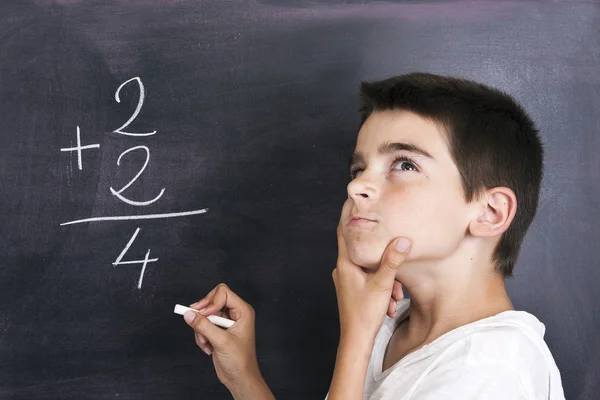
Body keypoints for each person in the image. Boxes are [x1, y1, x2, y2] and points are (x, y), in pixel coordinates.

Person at [180, 72, 565, 399]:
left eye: (404, 163)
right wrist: (243, 378)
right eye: (358, 168)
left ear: (490, 212)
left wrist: (356, 338)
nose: (357, 186)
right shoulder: (393, 322)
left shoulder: (491, 370)